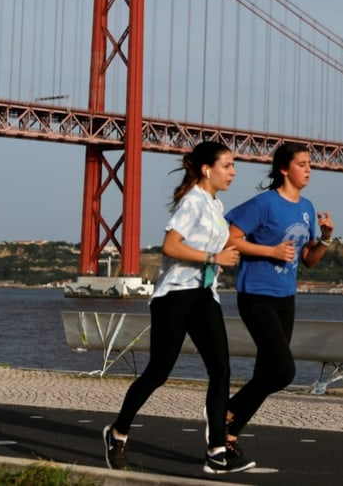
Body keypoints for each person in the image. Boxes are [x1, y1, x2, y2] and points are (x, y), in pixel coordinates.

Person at [102, 141, 255, 475]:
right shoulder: (192, 202)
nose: (233, 171)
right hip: (175, 297)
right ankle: (117, 432)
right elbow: (170, 246)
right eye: (227, 165)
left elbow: (217, 245)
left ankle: (216, 451)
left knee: (221, 370)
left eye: (233, 165)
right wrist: (214, 257)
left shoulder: (216, 204)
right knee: (159, 372)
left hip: (204, 296)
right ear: (206, 169)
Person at [221, 141, 334, 458]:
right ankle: (225, 413)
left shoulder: (307, 207)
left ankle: (228, 434)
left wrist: (326, 238)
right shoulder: (264, 204)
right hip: (256, 295)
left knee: (265, 374)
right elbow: (231, 238)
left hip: (286, 298)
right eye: (302, 163)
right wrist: (270, 251)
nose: (308, 168)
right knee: (283, 371)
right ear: (284, 169)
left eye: (310, 164)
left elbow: (310, 259)